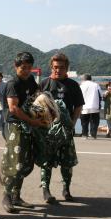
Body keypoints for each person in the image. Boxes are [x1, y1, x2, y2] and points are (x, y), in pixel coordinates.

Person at [1, 52, 47, 213]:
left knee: (26, 162)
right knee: (15, 162)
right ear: (16, 67)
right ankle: (6, 196)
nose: (26, 70)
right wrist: (32, 121)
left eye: (29, 67)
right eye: (23, 68)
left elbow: (37, 100)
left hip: (28, 125)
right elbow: (13, 108)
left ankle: (16, 196)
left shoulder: (32, 81)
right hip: (14, 125)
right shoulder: (13, 84)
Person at [40, 53, 84, 202]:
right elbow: (35, 107)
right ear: (51, 67)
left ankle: (66, 189)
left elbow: (78, 106)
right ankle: (46, 190)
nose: (58, 70)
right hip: (48, 131)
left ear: (67, 68)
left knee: (67, 161)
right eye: (55, 67)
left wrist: (72, 122)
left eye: (62, 68)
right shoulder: (44, 84)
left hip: (66, 129)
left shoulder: (73, 85)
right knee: (46, 161)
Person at [80, 73, 102, 139]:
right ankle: (93, 135)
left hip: (84, 107)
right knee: (94, 121)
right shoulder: (96, 85)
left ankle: (84, 135)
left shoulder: (82, 85)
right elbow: (100, 95)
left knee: (84, 122)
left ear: (84, 79)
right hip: (94, 106)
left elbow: (78, 96)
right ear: (90, 78)